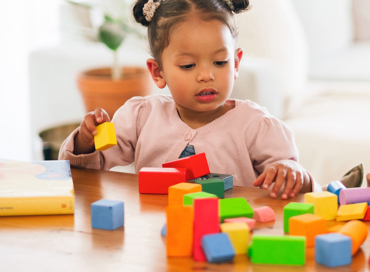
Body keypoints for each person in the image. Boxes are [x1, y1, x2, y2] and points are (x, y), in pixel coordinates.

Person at [59, 0, 322, 199]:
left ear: (237, 63)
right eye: (187, 65)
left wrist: (291, 172)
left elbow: (300, 186)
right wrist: (84, 142)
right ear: (158, 72)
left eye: (220, 62)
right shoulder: (140, 117)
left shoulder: (256, 126)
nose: (207, 75)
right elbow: (83, 171)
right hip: (155, 239)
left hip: (230, 239)